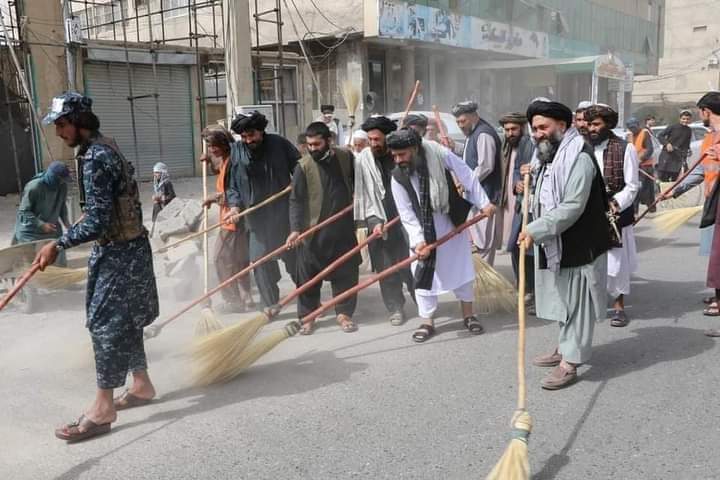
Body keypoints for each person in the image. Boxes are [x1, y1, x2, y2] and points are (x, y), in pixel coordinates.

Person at [34, 92, 159, 441]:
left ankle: (104, 408)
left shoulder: (94, 158)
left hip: (118, 253)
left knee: (104, 325)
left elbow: (99, 221)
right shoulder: (104, 147)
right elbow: (105, 209)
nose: (58, 132)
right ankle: (142, 383)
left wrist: (58, 243)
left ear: (79, 122)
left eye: (61, 124)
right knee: (130, 319)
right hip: (131, 249)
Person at [519, 99, 610, 390]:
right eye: (534, 128)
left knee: (578, 304)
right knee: (562, 300)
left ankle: (570, 361)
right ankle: (564, 346)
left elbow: (572, 205)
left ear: (562, 125)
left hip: (580, 243)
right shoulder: (548, 157)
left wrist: (535, 229)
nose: (537, 133)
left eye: (543, 127)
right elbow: (542, 197)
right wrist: (526, 184)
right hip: (555, 240)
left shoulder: (579, 158)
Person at [389, 128, 496, 342]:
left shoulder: (439, 153)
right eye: (395, 155)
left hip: (450, 222)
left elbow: (466, 174)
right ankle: (427, 321)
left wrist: (483, 203)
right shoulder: (397, 177)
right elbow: (406, 213)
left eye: (402, 154)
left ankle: (468, 315)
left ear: (415, 148)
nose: (398, 159)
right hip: (422, 230)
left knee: (461, 268)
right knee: (423, 273)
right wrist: (419, 241)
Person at [287, 122, 359, 334]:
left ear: (329, 141)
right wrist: (295, 229)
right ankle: (308, 317)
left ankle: (344, 313)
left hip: (343, 228)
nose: (313, 148)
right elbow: (296, 201)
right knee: (308, 277)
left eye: (317, 144)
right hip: (314, 232)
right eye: (309, 145)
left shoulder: (346, 158)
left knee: (346, 273)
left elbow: (357, 184)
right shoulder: (303, 166)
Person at [227, 111, 299, 314]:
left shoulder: (279, 144)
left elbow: (300, 167)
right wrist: (234, 206)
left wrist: (296, 183)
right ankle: (270, 304)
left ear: (261, 131)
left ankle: (308, 298)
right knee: (259, 262)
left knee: (294, 261)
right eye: (244, 136)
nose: (249, 140)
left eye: (252, 135)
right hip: (255, 220)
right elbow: (232, 185)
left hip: (283, 215)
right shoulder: (237, 151)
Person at [668, 93, 720, 336]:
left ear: (706, 111)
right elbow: (700, 171)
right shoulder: (711, 138)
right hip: (715, 200)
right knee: (716, 253)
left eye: (701, 112)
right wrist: (675, 191)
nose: (701, 116)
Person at [354, 115, 414, 325]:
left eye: (377, 139)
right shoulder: (363, 159)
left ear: (388, 137)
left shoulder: (402, 154)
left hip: (407, 221)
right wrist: (373, 222)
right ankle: (395, 308)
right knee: (386, 270)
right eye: (370, 140)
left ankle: (424, 304)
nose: (373, 144)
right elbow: (363, 195)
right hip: (379, 222)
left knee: (412, 267)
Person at [585, 104, 640, 327]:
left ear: (608, 125)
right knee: (588, 260)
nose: (591, 129)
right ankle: (590, 305)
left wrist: (616, 203)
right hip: (588, 212)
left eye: (596, 124)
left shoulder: (625, 149)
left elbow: (633, 185)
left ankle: (618, 307)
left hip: (614, 213)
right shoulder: (583, 147)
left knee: (617, 263)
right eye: (589, 124)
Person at [201, 125, 253, 312]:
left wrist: (213, 198)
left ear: (224, 144)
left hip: (233, 219)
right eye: (209, 146)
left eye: (214, 146)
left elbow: (234, 193)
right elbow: (219, 171)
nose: (212, 149)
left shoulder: (233, 163)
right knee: (239, 260)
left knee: (221, 258)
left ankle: (233, 301)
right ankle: (246, 297)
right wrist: (209, 159)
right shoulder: (225, 160)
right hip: (231, 218)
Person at [451, 100, 502, 265]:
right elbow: (469, 155)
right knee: (476, 240)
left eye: (463, 121)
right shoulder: (472, 134)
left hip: (486, 198)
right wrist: (454, 147)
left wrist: (466, 182)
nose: (460, 125)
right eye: (458, 122)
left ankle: (485, 280)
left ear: (474, 117)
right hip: (475, 198)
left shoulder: (484, 134)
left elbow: (485, 165)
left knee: (484, 243)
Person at [498, 112, 536, 312]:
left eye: (514, 129)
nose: (510, 133)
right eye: (507, 130)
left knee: (528, 248)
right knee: (515, 246)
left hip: (535, 205)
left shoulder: (529, 143)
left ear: (522, 128)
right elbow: (515, 171)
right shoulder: (510, 146)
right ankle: (523, 285)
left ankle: (531, 289)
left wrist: (529, 178)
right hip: (520, 203)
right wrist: (516, 183)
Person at [13, 161, 71, 266]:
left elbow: (62, 206)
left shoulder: (62, 186)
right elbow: (23, 211)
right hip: (30, 230)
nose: (62, 182)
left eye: (64, 180)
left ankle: (57, 277)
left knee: (58, 252)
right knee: (32, 262)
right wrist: (41, 225)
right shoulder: (34, 187)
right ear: (53, 177)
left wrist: (68, 224)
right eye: (60, 179)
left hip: (51, 227)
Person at [627, 117, 656, 213]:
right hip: (635, 167)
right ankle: (635, 211)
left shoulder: (644, 133)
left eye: (634, 127)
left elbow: (650, 149)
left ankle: (651, 208)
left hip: (645, 166)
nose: (632, 129)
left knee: (646, 188)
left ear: (638, 125)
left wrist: (640, 159)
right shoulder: (629, 135)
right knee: (637, 188)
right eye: (630, 128)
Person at [657, 110, 693, 181]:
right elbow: (660, 136)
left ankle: (673, 191)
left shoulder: (689, 130)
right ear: (680, 119)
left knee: (676, 180)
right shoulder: (672, 127)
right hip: (667, 156)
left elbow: (686, 145)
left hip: (678, 158)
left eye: (687, 119)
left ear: (690, 120)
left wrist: (688, 151)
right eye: (683, 119)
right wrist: (667, 144)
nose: (685, 121)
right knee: (663, 178)